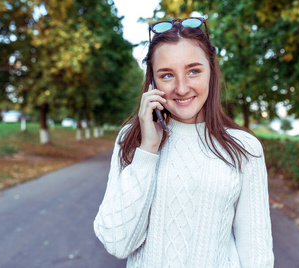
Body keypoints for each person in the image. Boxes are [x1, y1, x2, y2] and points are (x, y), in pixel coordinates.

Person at [93, 17, 274, 267]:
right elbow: (117, 243)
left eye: (193, 71)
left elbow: (257, 255)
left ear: (211, 71)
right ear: (152, 82)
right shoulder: (131, 140)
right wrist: (148, 150)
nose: (181, 87)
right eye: (167, 75)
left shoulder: (244, 148)